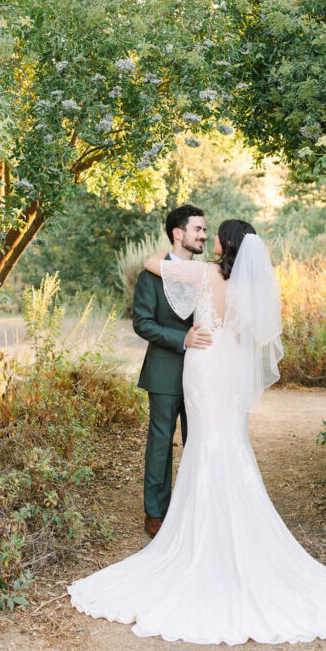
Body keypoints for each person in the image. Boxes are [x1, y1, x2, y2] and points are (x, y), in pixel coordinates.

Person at [69, 219, 326, 644]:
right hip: (229, 369)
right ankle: (231, 523)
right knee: (228, 441)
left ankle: (191, 529)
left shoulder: (204, 274)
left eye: (216, 234)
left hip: (202, 364)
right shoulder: (250, 288)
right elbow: (247, 337)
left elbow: (152, 263)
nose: (211, 239)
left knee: (204, 442)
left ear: (225, 243)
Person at [131, 204, 211, 539]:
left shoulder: (208, 273)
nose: (203, 235)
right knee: (161, 443)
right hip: (164, 371)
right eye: (198, 230)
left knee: (199, 441)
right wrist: (183, 338)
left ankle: (195, 508)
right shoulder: (152, 273)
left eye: (205, 230)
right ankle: (156, 512)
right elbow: (143, 323)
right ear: (178, 233)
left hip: (204, 373)